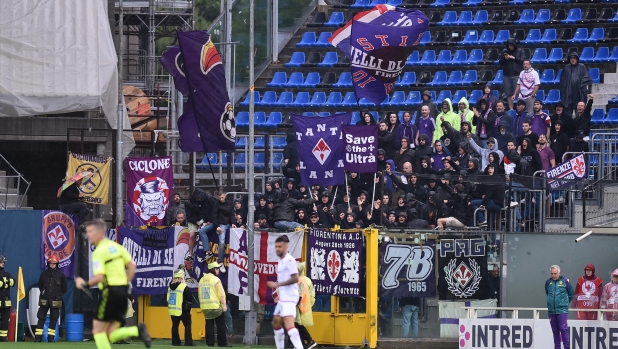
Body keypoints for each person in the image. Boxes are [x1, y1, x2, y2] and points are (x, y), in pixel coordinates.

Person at [75, 219, 151, 349]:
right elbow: (132, 265)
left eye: (90, 232)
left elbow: (99, 277)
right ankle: (137, 331)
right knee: (111, 333)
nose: (88, 235)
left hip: (109, 292)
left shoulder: (98, 252)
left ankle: (136, 331)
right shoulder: (118, 247)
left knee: (98, 332)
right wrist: (125, 283)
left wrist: (84, 284)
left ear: (100, 233)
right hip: (122, 293)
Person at [268, 235, 304, 349]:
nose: (277, 249)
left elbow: (295, 278)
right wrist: (279, 293)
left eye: (280, 246)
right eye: (276, 246)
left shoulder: (289, 260)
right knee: (276, 322)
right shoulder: (281, 261)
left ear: (286, 247)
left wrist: (278, 285)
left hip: (290, 297)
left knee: (289, 326)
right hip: (283, 297)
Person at [35, 255, 67, 342]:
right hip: (44, 299)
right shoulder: (43, 274)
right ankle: (38, 337)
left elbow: (64, 288)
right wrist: (45, 293)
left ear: (57, 264)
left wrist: (58, 295)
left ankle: (51, 338)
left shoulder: (61, 275)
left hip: (56, 300)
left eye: (54, 263)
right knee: (41, 318)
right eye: (51, 263)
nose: (52, 265)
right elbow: (40, 286)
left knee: (54, 318)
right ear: (48, 264)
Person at [199, 262, 231, 347]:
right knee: (220, 324)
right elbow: (221, 294)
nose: (218, 270)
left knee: (209, 325)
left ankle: (210, 343)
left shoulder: (202, 280)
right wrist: (224, 305)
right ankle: (222, 343)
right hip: (215, 306)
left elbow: (199, 293)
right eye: (216, 269)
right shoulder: (216, 280)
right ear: (212, 269)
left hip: (205, 307)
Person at [545, 265, 574, 349]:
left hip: (562, 311)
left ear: (559, 273)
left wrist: (564, 303)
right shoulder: (548, 282)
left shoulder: (565, 281)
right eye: (552, 273)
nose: (553, 275)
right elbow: (547, 293)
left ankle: (566, 347)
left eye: (555, 273)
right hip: (551, 311)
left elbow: (571, 294)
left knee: (563, 330)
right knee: (555, 331)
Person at [186, 188, 217, 262]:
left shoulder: (207, 199)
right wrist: (196, 221)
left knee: (202, 231)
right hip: (194, 220)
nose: (200, 199)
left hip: (204, 219)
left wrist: (207, 221)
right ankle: (190, 254)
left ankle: (206, 251)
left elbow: (208, 211)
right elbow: (189, 216)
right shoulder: (188, 203)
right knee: (192, 235)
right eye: (199, 198)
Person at [560, 51, 592, 118]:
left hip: (579, 93)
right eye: (571, 58)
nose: (573, 60)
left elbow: (586, 78)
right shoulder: (566, 68)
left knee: (580, 114)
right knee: (567, 115)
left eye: (574, 58)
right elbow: (563, 81)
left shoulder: (582, 67)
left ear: (577, 59)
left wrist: (580, 85)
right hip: (568, 94)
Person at [167, 269, 193, 346]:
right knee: (187, 325)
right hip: (183, 309)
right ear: (181, 276)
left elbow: (167, 298)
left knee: (175, 325)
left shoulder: (170, 287)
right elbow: (190, 297)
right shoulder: (183, 286)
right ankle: (188, 342)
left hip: (173, 310)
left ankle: (175, 342)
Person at [499, 38, 526, 111]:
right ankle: (511, 108)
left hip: (517, 74)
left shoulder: (520, 51)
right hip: (507, 74)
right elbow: (501, 63)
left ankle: (519, 107)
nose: (510, 47)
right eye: (508, 45)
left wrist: (514, 58)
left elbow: (522, 62)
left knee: (517, 92)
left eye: (511, 45)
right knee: (508, 93)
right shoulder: (505, 52)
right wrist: (504, 58)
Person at [295, 263, 317, 349]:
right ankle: (303, 343)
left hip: (299, 305)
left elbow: (299, 295)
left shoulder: (300, 280)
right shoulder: (303, 280)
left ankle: (309, 341)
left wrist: (295, 305)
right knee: (297, 324)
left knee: (298, 324)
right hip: (302, 305)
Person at [213, 191, 235, 272]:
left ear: (225, 196)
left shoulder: (230, 203)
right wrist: (217, 226)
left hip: (229, 223)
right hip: (221, 224)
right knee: (221, 243)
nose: (221, 199)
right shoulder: (216, 204)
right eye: (220, 198)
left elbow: (232, 214)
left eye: (222, 197)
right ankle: (220, 261)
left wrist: (233, 223)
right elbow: (214, 216)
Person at [0, 255, 14, 342]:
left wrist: (6, 282)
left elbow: (13, 282)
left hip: (6, 303)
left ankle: (3, 337)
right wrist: (5, 282)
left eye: (3, 262)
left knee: (5, 320)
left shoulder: (7, 274)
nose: (3, 263)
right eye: (1, 262)